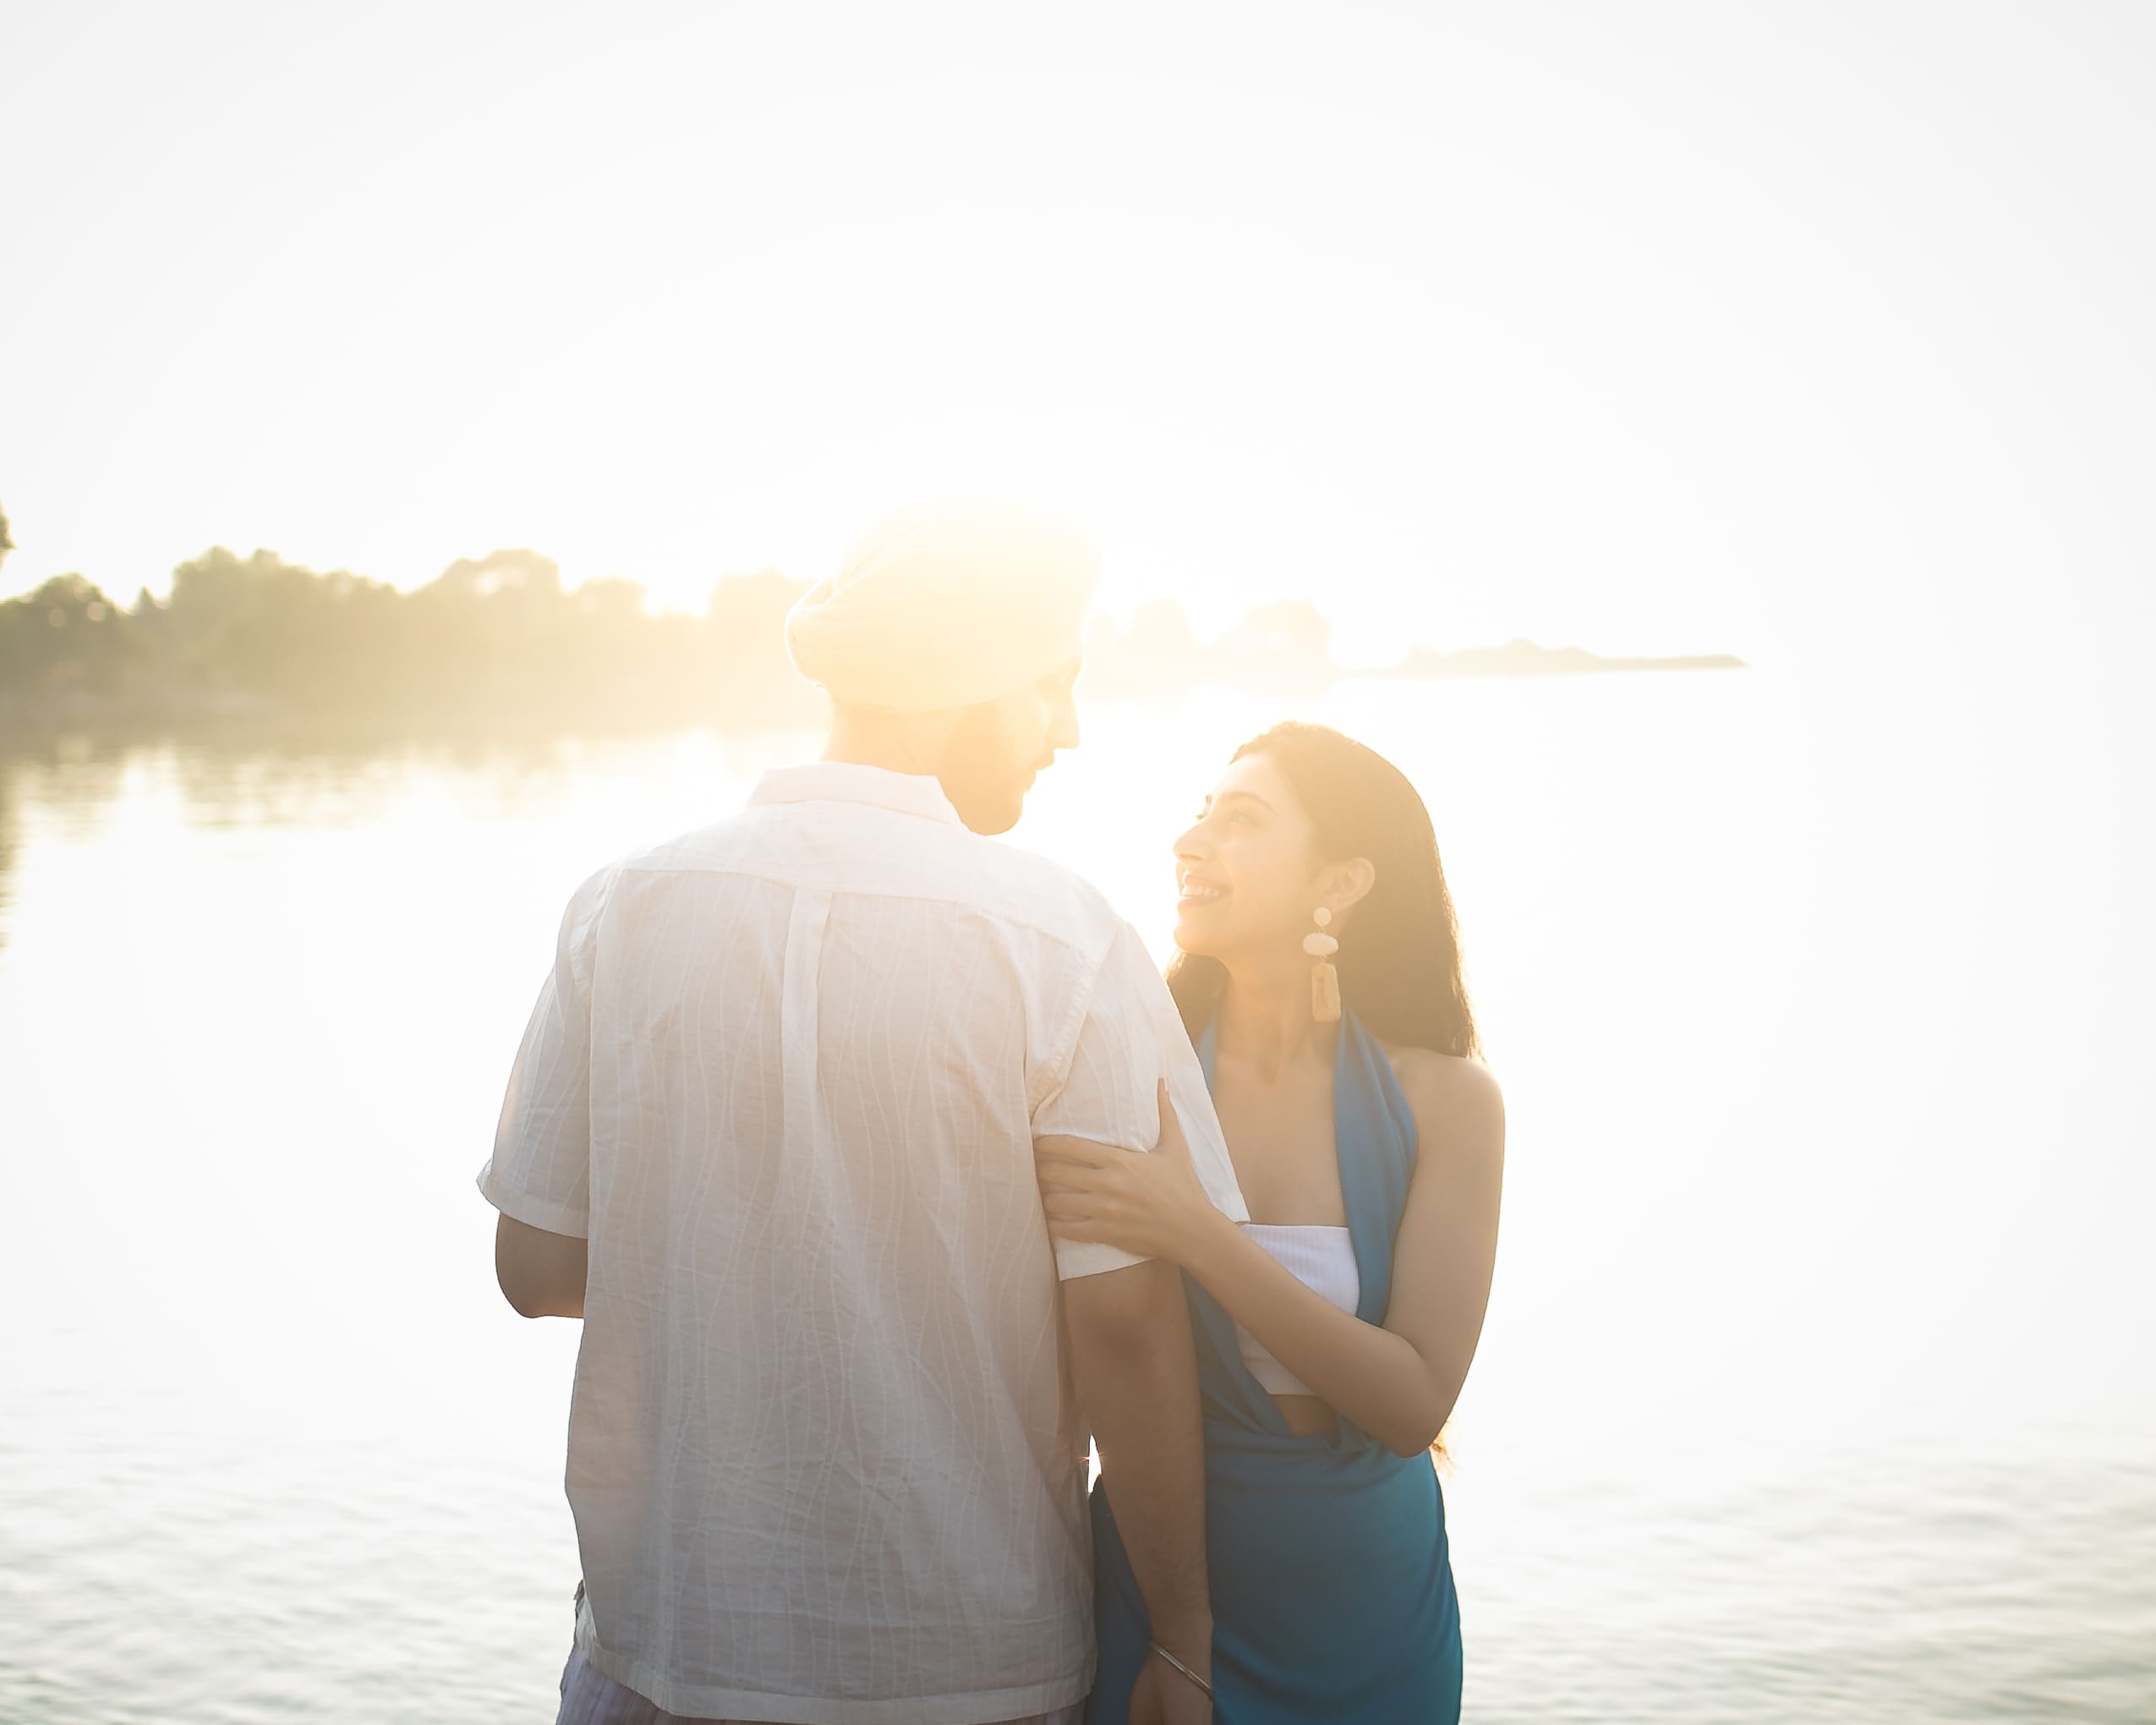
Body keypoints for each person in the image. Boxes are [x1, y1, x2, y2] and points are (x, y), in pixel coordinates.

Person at [476, 497, 1249, 1725]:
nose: (1069, 731)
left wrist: (750, 1254)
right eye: (1052, 687)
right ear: (963, 681)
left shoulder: (621, 907)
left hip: (663, 1645)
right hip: (961, 1661)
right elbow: (1126, 1325)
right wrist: (1187, 1633)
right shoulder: (1060, 938)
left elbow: (535, 1264)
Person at [1036, 723, 1505, 1724]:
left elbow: (1413, 1400)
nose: (1191, 841)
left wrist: (1197, 1232)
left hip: (1369, 1617)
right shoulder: (1126, 1069)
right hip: (1160, 1584)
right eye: (1201, 813)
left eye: (1240, 819)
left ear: (1338, 884)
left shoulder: (1447, 1101)